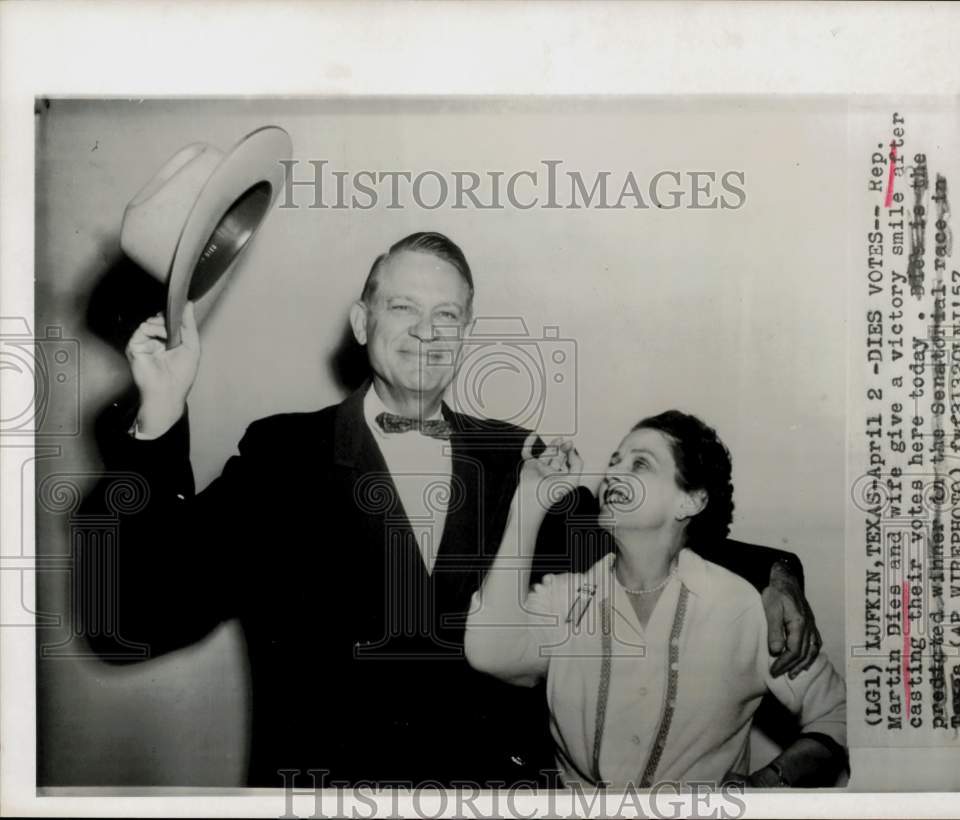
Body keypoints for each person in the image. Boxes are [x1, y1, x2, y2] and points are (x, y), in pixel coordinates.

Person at [82, 231, 823, 786]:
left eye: (448, 315)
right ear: (361, 321)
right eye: (402, 307)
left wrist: (773, 573)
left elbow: (639, 541)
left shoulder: (520, 457)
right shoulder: (284, 454)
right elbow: (143, 613)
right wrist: (159, 415)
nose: (427, 332)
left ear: (467, 336)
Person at [465, 411, 848, 788]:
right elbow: (491, 652)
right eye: (615, 461)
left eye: (640, 464)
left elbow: (840, 714)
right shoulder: (566, 599)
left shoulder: (740, 608)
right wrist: (530, 500)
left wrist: (770, 781)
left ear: (690, 502)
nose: (613, 472)